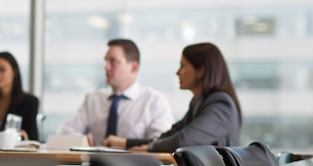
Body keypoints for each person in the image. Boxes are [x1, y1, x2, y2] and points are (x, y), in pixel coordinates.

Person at [103, 42, 242, 152]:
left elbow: (184, 140)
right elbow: (170, 136)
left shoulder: (221, 104)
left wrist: (150, 148)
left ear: (200, 71)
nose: (177, 72)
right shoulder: (198, 102)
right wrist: (126, 143)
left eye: (182, 66)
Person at [58, 39, 173, 147]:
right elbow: (65, 132)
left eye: (113, 61)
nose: (106, 67)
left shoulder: (154, 101)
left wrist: (127, 144)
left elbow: (160, 143)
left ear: (133, 67)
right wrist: (81, 139)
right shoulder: (93, 99)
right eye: (106, 61)